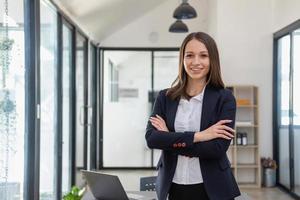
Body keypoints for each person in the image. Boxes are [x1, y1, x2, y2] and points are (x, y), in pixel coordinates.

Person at [145, 32, 241, 200]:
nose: (196, 62)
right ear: (182, 59)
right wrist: (200, 136)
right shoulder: (165, 97)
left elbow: (217, 149)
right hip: (172, 186)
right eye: (189, 55)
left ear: (212, 60)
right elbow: (152, 139)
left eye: (203, 55)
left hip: (212, 188)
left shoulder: (225, 98)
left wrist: (169, 138)